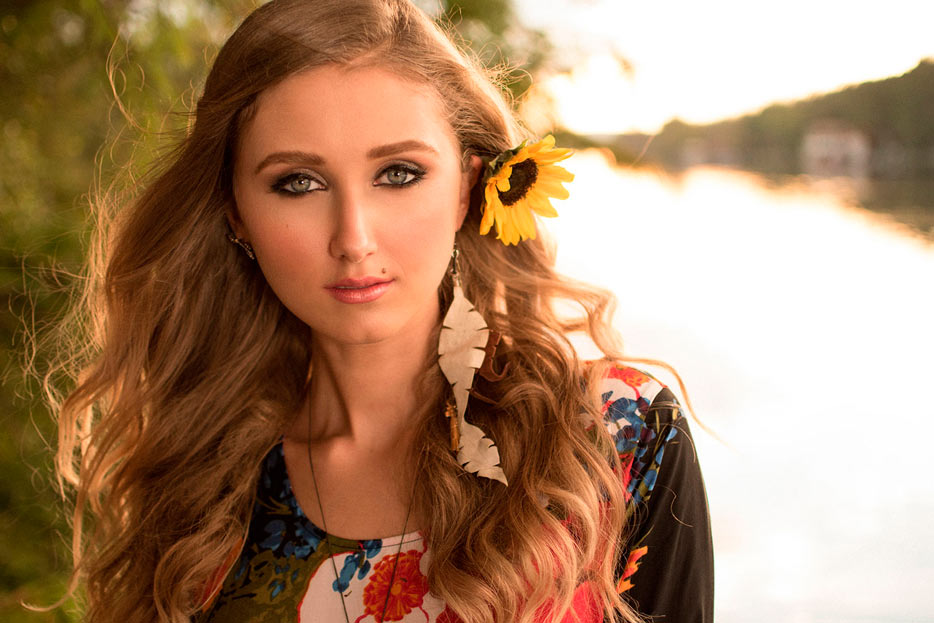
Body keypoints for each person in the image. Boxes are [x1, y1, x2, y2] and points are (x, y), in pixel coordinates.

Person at [51, 1, 713, 622]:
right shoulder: (201, 493)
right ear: (237, 217)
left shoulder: (613, 439)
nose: (354, 237)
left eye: (397, 173)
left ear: (467, 188)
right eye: (298, 182)